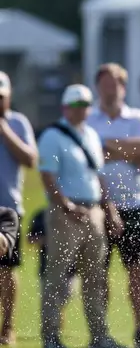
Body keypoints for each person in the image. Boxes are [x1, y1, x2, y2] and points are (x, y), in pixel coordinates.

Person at [38, 84, 125, 348]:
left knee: (95, 277)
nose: (82, 110)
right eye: (77, 105)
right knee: (58, 276)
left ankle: (99, 335)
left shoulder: (90, 136)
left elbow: (97, 177)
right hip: (66, 212)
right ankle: (51, 337)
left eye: (86, 105)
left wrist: (109, 210)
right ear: (66, 107)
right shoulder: (53, 135)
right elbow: (47, 175)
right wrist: (65, 204)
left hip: (93, 211)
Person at [87, 63, 140, 348]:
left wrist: (106, 147)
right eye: (104, 83)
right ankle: (100, 332)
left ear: (123, 87)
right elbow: (91, 157)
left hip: (134, 204)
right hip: (98, 205)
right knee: (98, 273)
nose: (109, 88)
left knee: (138, 271)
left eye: (114, 83)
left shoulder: (138, 117)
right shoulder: (89, 119)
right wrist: (125, 150)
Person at [0, 71, 38, 345]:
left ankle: (7, 326)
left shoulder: (17, 122)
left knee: (6, 269)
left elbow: (29, 159)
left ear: (9, 96)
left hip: (7, 208)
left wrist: (2, 128)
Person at [26, 209, 79, 327]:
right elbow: (30, 238)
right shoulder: (41, 215)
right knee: (49, 295)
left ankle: (58, 314)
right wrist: (48, 240)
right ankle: (51, 326)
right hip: (47, 265)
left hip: (70, 266)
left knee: (66, 294)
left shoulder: (73, 212)